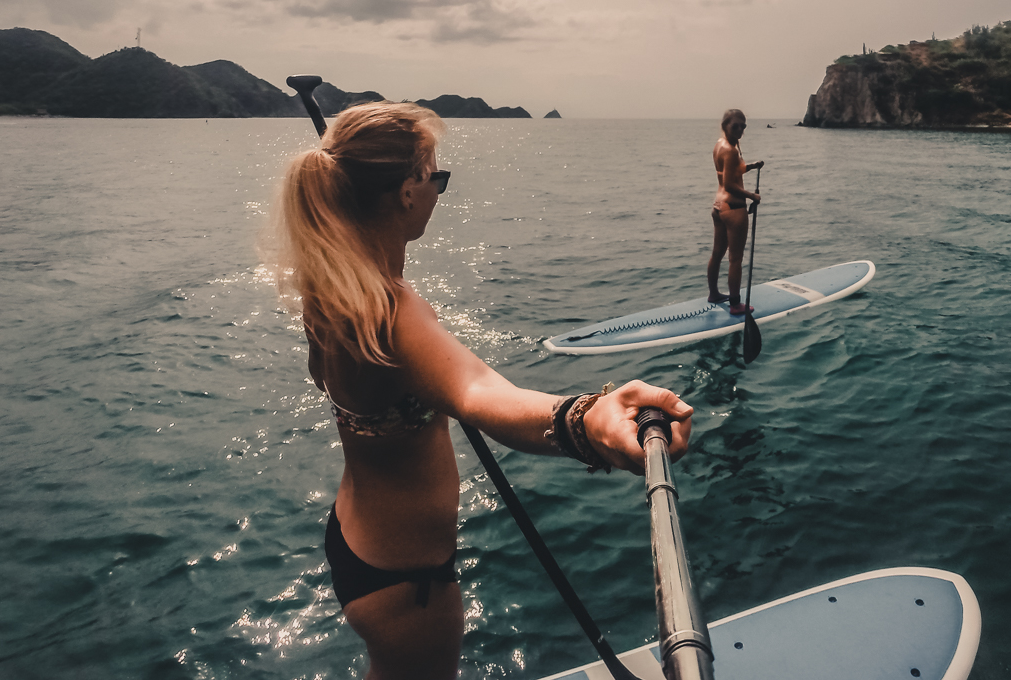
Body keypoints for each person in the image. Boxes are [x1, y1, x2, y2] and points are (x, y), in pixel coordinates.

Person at [273, 102, 693, 680]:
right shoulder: (392, 313)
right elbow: (478, 393)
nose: (439, 191)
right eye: (434, 177)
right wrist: (590, 420)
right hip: (406, 581)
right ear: (405, 193)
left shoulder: (330, 291)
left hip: (355, 540)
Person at [706, 108, 763, 315]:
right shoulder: (731, 150)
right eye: (735, 126)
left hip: (718, 207)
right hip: (734, 209)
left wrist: (750, 166)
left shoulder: (721, 145)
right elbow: (730, 184)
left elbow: (728, 171)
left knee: (717, 253)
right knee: (735, 259)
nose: (740, 130)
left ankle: (713, 294)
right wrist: (751, 196)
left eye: (743, 126)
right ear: (725, 125)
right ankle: (735, 304)